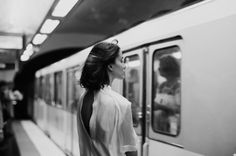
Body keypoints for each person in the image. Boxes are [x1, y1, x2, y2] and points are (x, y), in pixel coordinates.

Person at [77, 41, 138, 156]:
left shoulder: (83, 99)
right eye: (121, 61)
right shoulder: (121, 104)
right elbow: (131, 150)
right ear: (110, 66)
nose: (124, 65)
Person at [153, 55, 180, 135]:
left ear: (168, 68)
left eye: (160, 66)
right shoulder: (162, 85)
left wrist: (162, 107)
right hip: (158, 127)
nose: (158, 69)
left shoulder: (178, 87)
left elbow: (180, 111)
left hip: (173, 128)